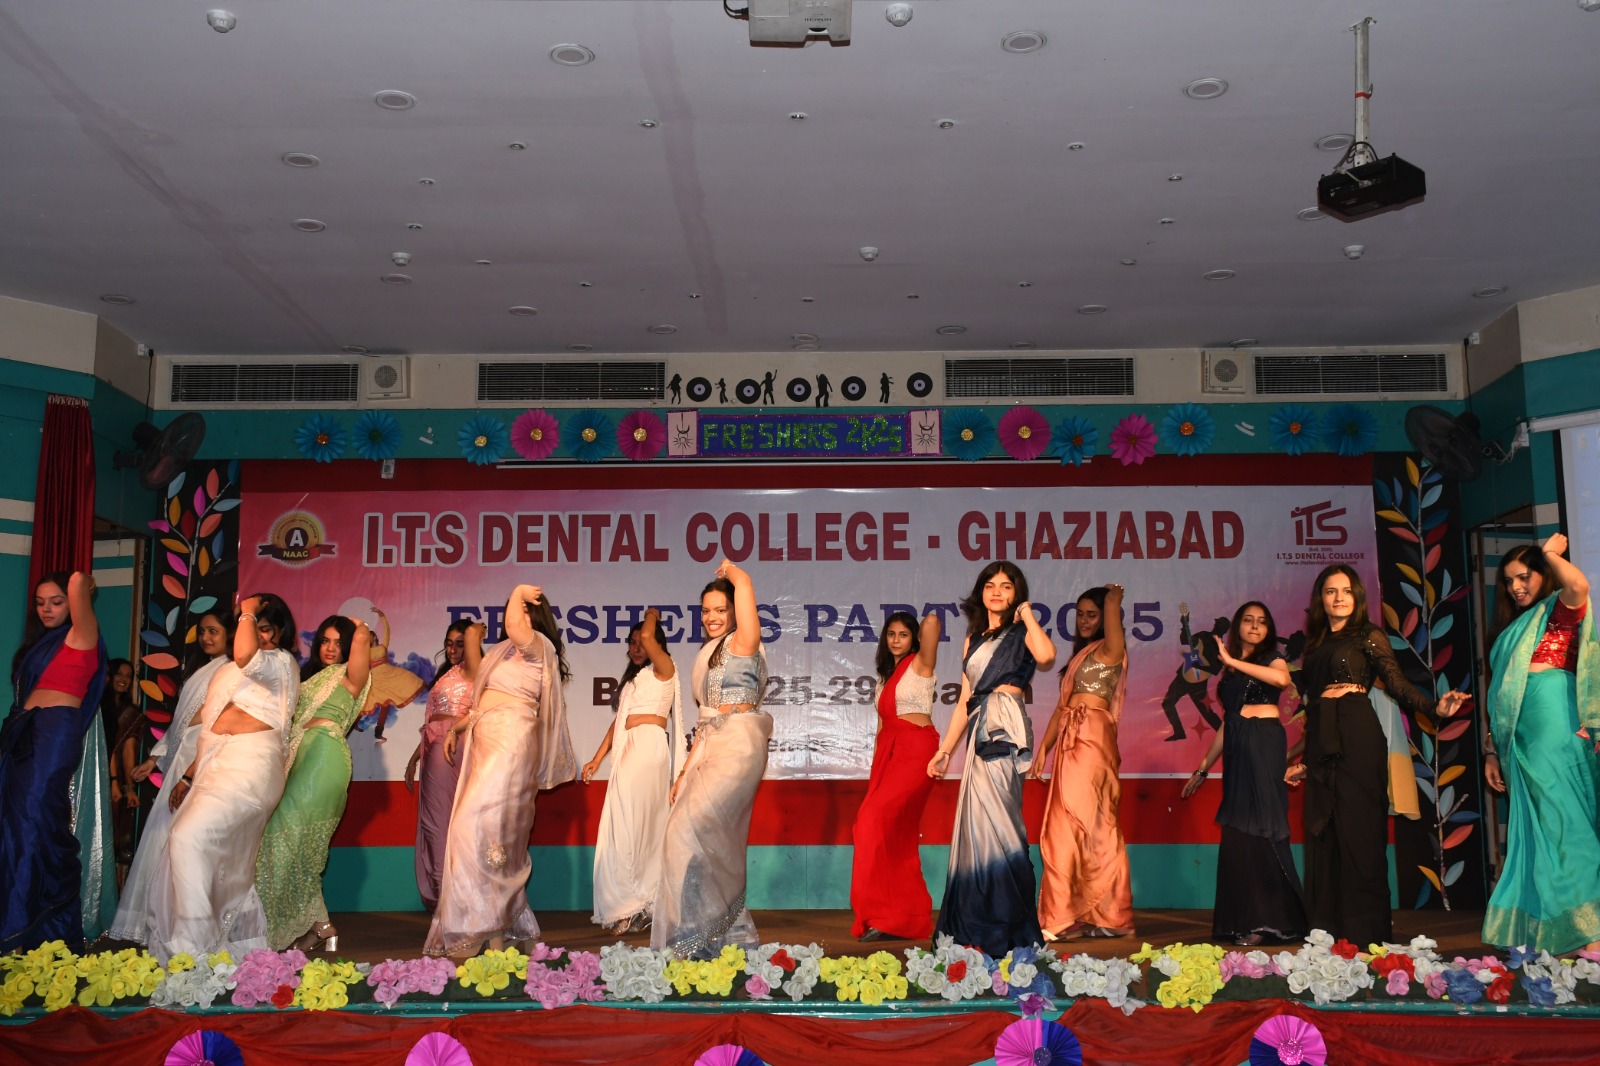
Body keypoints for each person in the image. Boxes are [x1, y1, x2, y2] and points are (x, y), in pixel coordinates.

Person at [1287, 565, 1466, 945]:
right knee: (1324, 833)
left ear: (1357, 596)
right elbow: (1313, 710)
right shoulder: (1315, 645)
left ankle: (1365, 932)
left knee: (1361, 832)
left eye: (1346, 590)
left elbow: (1397, 684)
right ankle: (1326, 932)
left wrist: (1434, 707)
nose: (1339, 598)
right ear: (1320, 599)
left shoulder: (1369, 635)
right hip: (1323, 742)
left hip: (1358, 735)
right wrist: (1306, 761)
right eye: (1331, 591)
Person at [425, 584, 577, 961]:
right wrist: (459, 727)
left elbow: (513, 625)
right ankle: (500, 928)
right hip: (488, 736)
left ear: (532, 616)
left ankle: (485, 925)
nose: (514, 616)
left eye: (521, 609)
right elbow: (486, 701)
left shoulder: (537, 646)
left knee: (478, 828)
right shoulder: (504, 653)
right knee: (484, 834)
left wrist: (518, 591)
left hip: (511, 739)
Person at [147, 594, 300, 964]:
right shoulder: (226, 672)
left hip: (251, 766)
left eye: (265, 628)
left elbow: (247, 655)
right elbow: (210, 729)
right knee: (209, 851)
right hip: (214, 767)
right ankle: (234, 944)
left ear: (279, 632)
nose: (257, 635)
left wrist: (247, 609)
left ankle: (193, 945)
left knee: (188, 837)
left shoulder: (280, 663)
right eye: (251, 627)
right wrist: (188, 775)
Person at [927, 562, 1054, 957]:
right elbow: (965, 702)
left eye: (1006, 586)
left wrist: (1027, 614)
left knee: (1003, 823)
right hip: (978, 730)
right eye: (990, 585)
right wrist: (945, 750)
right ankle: (976, 919)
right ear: (980, 592)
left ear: (1017, 593)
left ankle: (1009, 920)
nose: (997, 592)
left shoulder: (1023, 632)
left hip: (1005, 729)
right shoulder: (972, 639)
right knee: (977, 827)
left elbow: (1047, 656)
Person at [1481, 533, 1599, 954]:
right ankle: (1553, 929)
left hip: (1555, 725)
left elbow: (1579, 585)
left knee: (1567, 822)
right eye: (1509, 580)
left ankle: (1591, 929)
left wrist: (1550, 554)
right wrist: (1492, 751)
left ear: (1544, 575)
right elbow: (1501, 697)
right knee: (1542, 830)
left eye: (1524, 576)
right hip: (1521, 737)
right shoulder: (1511, 632)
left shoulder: (1557, 611)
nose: (1516, 587)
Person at [653, 562, 771, 959]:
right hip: (711, 747)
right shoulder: (708, 653)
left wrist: (734, 573)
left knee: (690, 834)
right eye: (706, 611)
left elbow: (745, 585)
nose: (712, 617)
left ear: (736, 612)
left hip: (739, 747)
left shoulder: (744, 642)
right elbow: (705, 723)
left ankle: (703, 932)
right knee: (687, 840)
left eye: (721, 609)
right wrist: (684, 772)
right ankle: (710, 934)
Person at [1180, 601, 1307, 945]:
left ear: (1268, 630)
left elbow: (1281, 679)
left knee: (1262, 825)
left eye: (1262, 622)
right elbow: (1228, 722)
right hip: (1237, 748)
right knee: (1238, 830)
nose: (1254, 626)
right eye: (1248, 620)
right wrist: (1203, 768)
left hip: (1263, 742)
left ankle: (1271, 921)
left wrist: (1232, 661)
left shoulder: (1272, 658)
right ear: (1238, 627)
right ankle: (1245, 919)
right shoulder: (1231, 671)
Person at [0, 571, 109, 952]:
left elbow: (77, 580)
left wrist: (84, 585)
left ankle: (31, 925)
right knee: (15, 825)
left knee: (35, 821)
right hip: (23, 733)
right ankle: (20, 923)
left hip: (53, 734)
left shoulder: (83, 634)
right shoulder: (38, 646)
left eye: (57, 601)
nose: (47, 609)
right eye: (40, 602)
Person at [110, 611, 233, 945]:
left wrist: (189, 769)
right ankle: (158, 918)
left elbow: (215, 723)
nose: (206, 637)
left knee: (188, 838)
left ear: (230, 634)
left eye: (214, 631)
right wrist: (155, 758)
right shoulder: (203, 669)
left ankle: (187, 921)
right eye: (202, 631)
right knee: (164, 834)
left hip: (204, 758)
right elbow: (181, 723)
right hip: (182, 756)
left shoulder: (232, 669)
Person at [255, 615, 374, 951]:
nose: (331, 648)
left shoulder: (351, 676)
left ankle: (277, 931)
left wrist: (356, 623)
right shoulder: (306, 679)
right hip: (298, 758)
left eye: (339, 642)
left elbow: (362, 637)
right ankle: (321, 926)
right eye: (325, 641)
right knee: (290, 846)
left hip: (324, 756)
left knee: (291, 842)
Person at [1034, 584, 1133, 940]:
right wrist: (1043, 749)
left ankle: (1107, 914)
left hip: (1093, 741)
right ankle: (1070, 914)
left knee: (1095, 825)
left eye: (1093, 614)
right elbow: (1063, 709)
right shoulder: (1081, 656)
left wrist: (1112, 600)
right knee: (1063, 826)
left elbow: (1112, 616)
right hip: (1069, 742)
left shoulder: (1111, 650)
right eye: (1080, 615)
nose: (1085, 621)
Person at [583, 609, 683, 936]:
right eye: (632, 642)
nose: (637, 647)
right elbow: (619, 722)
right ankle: (639, 904)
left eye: (641, 642)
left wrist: (651, 614)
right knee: (625, 824)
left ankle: (637, 903)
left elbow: (651, 636)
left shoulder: (664, 668)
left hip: (648, 748)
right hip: (629, 749)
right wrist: (597, 759)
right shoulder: (634, 681)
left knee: (641, 826)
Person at [850, 610, 941, 942]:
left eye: (903, 634)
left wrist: (925, 616)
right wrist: (876, 772)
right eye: (891, 634)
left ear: (914, 638)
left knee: (875, 822)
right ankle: (895, 917)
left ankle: (894, 915)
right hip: (889, 755)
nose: (896, 640)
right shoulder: (884, 678)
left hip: (916, 751)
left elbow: (932, 624)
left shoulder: (921, 664)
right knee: (882, 830)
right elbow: (881, 729)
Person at [405, 621, 477, 913]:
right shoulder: (447, 673)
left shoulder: (474, 669)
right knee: (442, 822)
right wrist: (415, 757)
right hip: (437, 745)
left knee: (439, 823)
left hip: (452, 745)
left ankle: (447, 900)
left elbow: (456, 719)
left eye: (461, 643)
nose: (453, 649)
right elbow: (434, 721)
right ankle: (450, 898)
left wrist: (473, 637)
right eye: (449, 643)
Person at [102, 658, 144, 887]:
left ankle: (115, 891)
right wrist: (112, 781)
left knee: (117, 835)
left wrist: (129, 788)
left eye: (129, 676)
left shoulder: (132, 713)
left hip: (117, 779)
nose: (123, 680)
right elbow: (105, 747)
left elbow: (128, 752)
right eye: (119, 674)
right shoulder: (98, 706)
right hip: (98, 773)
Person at [1160, 604, 1227, 741]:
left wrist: (1199, 666)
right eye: (1217, 624)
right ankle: (1179, 732)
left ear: (1223, 630)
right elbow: (1185, 640)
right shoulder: (1203, 636)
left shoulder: (1221, 649)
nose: (1217, 627)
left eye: (1220, 626)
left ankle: (1226, 736)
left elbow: (1215, 670)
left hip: (1198, 682)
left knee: (1207, 712)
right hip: (1184, 676)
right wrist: (1184, 624)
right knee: (1167, 703)